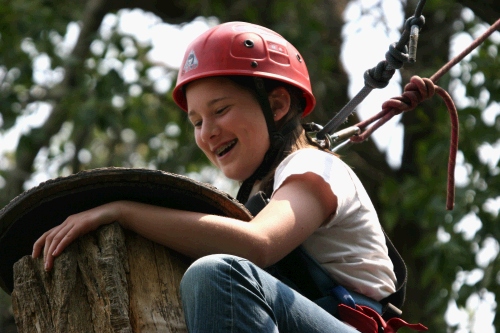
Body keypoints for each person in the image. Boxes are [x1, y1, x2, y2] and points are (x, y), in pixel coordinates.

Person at [32, 21, 398, 332]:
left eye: (220, 110)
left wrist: (122, 211)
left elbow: (259, 243)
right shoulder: (259, 192)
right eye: (196, 122)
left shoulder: (314, 168)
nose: (207, 132)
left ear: (277, 105)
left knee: (218, 275)